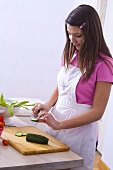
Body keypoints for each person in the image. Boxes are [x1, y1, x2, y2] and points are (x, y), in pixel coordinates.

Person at [32, 4, 113, 170]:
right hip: (55, 123)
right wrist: (48, 104)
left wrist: (60, 124)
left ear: (91, 34)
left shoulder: (104, 65)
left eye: (77, 35)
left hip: (79, 135)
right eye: (69, 33)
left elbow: (97, 112)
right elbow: (63, 87)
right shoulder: (71, 53)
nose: (71, 39)